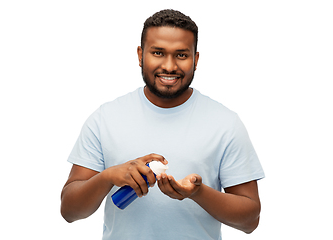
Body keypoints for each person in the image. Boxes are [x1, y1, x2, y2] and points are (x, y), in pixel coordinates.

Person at [61, 9, 265, 240]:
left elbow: (250, 221)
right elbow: (69, 211)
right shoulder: (105, 118)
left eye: (181, 55)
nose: (169, 66)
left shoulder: (225, 123)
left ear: (196, 60)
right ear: (140, 55)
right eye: (158, 52)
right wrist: (108, 177)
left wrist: (198, 193)